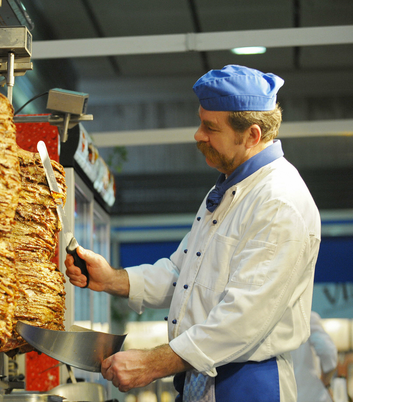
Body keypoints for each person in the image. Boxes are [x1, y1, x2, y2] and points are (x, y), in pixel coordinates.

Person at [65, 64, 321, 402]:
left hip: (247, 386)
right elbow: (182, 274)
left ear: (252, 135)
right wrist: (112, 278)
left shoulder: (278, 202)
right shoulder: (228, 191)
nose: (198, 135)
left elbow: (241, 322)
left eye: (209, 127)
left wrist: (152, 363)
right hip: (202, 379)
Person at [291, 312, 338, 402]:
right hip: (312, 395)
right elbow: (328, 351)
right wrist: (325, 382)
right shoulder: (305, 316)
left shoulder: (268, 318)